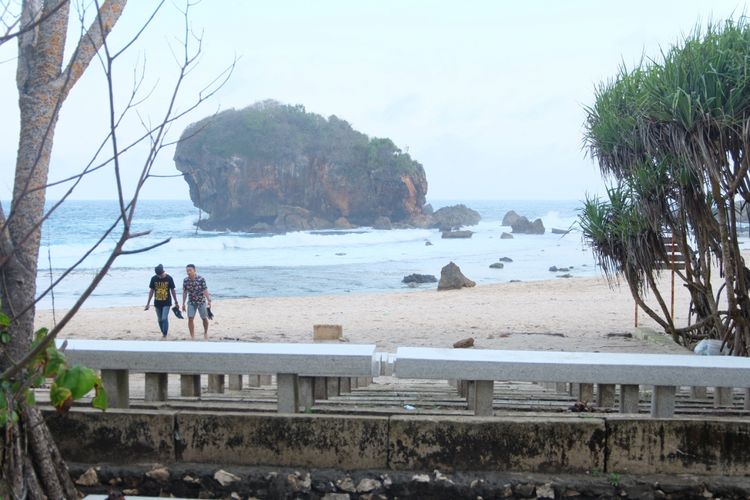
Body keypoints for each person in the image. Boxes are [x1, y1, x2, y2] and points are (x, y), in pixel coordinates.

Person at [145, 264, 178, 339]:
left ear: (163, 272)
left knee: (164, 318)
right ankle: (163, 332)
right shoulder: (153, 278)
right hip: (157, 302)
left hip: (167, 302)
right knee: (159, 320)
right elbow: (151, 291)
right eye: (158, 275)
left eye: (161, 275)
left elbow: (173, 290)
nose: (160, 276)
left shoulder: (169, 278)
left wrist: (176, 301)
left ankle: (165, 334)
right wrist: (148, 303)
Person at [182, 263, 211, 340]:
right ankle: (192, 336)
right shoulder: (185, 280)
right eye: (187, 271)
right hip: (191, 302)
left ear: (194, 270)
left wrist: (209, 300)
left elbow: (205, 289)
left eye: (190, 270)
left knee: (204, 318)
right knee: (190, 318)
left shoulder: (201, 279)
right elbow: (185, 292)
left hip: (201, 301)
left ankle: (205, 333)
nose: (188, 272)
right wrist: (183, 303)